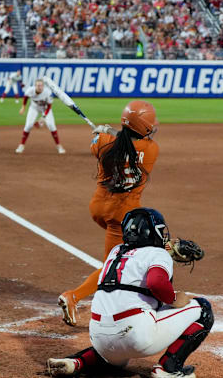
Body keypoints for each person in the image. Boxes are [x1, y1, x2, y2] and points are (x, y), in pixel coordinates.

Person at [47, 208, 214, 378]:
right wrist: (175, 299)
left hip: (99, 338)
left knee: (115, 359)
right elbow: (156, 282)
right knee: (203, 309)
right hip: (135, 335)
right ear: (153, 232)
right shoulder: (159, 253)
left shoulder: (116, 251)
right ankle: (169, 369)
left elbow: (138, 257)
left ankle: (76, 362)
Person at [58, 101, 159, 325]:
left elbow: (103, 144)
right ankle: (74, 296)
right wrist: (110, 132)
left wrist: (104, 133)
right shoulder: (152, 149)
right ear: (143, 126)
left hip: (98, 207)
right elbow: (132, 146)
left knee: (129, 251)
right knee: (112, 264)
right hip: (121, 214)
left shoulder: (103, 143)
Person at [15, 79, 65, 154]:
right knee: (28, 125)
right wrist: (23, 107)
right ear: (35, 86)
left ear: (43, 86)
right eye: (38, 85)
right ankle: (21, 145)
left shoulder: (48, 92)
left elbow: (49, 106)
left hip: (45, 109)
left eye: (41, 85)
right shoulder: (30, 90)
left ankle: (59, 146)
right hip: (34, 108)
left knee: (51, 125)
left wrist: (43, 117)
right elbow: (26, 97)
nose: (40, 87)